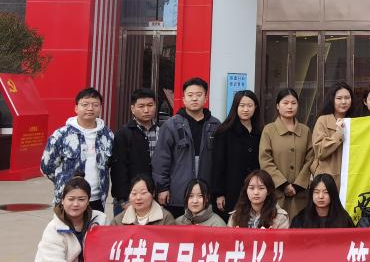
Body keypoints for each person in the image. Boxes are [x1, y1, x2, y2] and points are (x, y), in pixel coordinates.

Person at [152, 77, 221, 218]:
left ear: (206, 98)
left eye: (199, 95)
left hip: (206, 192)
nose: (194, 98)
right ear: (183, 99)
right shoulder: (171, 125)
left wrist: (220, 191)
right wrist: (162, 187)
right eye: (190, 95)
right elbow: (161, 160)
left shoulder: (215, 125)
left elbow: (221, 161)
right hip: (178, 192)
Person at [40, 87, 114, 210]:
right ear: (76, 108)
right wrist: (63, 181)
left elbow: (109, 164)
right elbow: (46, 167)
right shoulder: (61, 135)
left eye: (95, 105)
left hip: (97, 199)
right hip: (69, 199)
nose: (90, 108)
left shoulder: (107, 135)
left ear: (100, 108)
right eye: (85, 104)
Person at [258, 87, 314, 219]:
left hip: (300, 194)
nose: (290, 106)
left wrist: (298, 185)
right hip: (276, 193)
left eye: (293, 103)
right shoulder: (269, 130)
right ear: (278, 106)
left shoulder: (305, 130)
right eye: (285, 103)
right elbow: (265, 160)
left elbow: (310, 159)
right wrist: (283, 184)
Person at [211, 89, 262, 219]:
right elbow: (218, 164)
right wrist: (219, 193)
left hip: (256, 189)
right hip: (231, 189)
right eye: (242, 105)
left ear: (255, 107)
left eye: (250, 106)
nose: (246, 109)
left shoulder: (261, 131)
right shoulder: (224, 132)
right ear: (235, 107)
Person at [110, 87, 159, 217]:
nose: (146, 110)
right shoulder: (123, 134)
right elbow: (118, 169)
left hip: (156, 197)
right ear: (132, 108)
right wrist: (124, 199)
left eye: (150, 105)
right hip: (130, 199)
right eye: (141, 106)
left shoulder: (162, 131)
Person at [310, 83, 354, 187]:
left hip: (351, 178)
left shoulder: (355, 120)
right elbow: (320, 151)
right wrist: (338, 134)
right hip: (326, 179)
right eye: (339, 98)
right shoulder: (323, 120)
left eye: (347, 98)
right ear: (332, 100)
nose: (343, 102)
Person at [290, 173, 354, 229]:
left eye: (326, 192)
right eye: (316, 192)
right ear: (311, 194)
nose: (321, 196)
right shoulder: (301, 219)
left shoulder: (343, 218)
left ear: (332, 193)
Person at [111, 173, 175, 226]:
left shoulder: (166, 218)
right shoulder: (118, 221)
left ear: (153, 193)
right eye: (134, 193)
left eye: (143, 193)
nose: (138, 198)